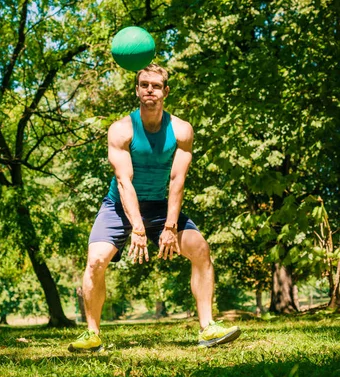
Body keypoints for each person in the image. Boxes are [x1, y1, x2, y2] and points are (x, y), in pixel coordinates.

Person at [68, 64, 241, 352]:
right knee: (96, 260)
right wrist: (136, 227)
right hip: (119, 205)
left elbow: (177, 180)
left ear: (165, 92)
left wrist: (171, 226)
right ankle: (92, 334)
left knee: (200, 249)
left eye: (156, 85)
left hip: (161, 206)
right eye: (144, 84)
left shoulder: (182, 130)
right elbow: (124, 182)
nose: (150, 89)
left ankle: (208, 328)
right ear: (137, 90)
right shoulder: (121, 130)